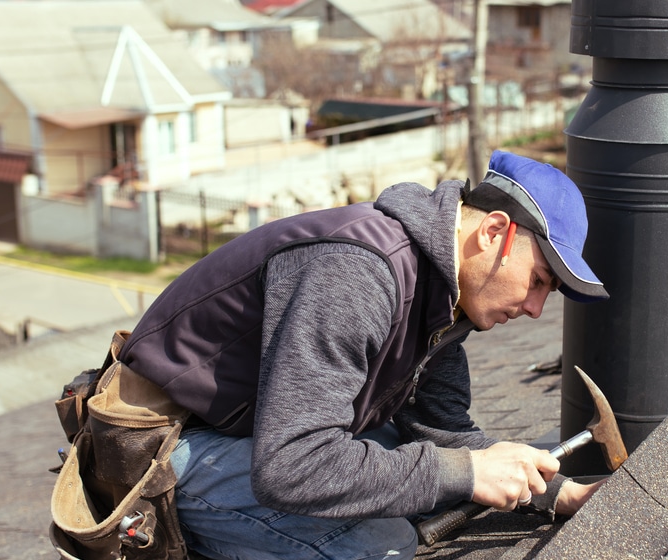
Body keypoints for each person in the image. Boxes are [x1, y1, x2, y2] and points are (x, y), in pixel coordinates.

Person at [115, 150, 610, 559]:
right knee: (383, 543)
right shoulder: (357, 271)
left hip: (257, 436)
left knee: (418, 477)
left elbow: (443, 434)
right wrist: (465, 472)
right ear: (494, 233)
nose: (536, 309)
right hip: (162, 450)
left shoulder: (443, 297)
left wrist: (558, 493)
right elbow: (292, 465)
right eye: (539, 281)